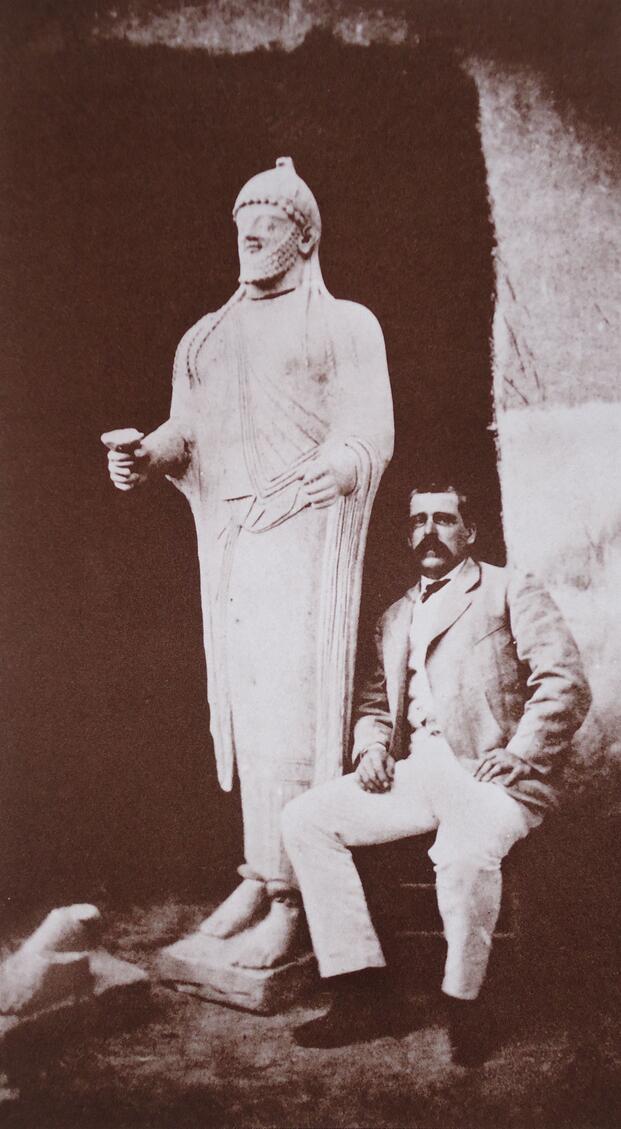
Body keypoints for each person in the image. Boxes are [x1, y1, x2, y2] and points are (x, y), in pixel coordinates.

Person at [102, 158, 393, 971]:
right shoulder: (206, 337)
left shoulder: (345, 325)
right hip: (233, 542)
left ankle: (294, 896)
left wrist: (332, 470)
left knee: (298, 715)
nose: (252, 236)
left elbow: (369, 431)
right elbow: (187, 432)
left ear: (305, 237)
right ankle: (258, 876)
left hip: (302, 539)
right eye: (243, 226)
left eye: (269, 224)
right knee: (253, 712)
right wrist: (145, 455)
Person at [281, 482, 591, 1060]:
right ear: (408, 535)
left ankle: (465, 1002)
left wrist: (522, 752)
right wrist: (371, 748)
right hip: (420, 769)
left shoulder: (508, 588)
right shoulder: (395, 615)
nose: (429, 531)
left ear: (469, 532)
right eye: (418, 520)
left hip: (495, 773)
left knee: (464, 852)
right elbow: (375, 703)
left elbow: (564, 682)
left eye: (444, 519)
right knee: (305, 819)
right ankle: (363, 993)